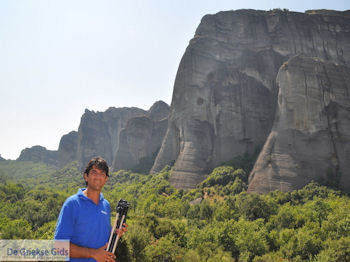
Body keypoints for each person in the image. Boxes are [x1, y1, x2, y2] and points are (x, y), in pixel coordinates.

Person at [54, 157, 126, 262]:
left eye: (102, 174)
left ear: (106, 179)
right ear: (86, 177)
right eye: (94, 173)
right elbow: (59, 247)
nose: (98, 177)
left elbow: (103, 241)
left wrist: (116, 235)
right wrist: (93, 254)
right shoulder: (72, 204)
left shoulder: (106, 205)